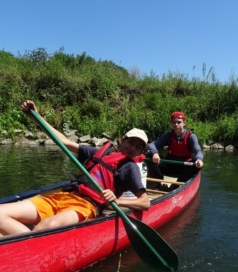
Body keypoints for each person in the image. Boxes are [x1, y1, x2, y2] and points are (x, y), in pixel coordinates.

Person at [0, 100, 150, 236]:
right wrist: (36, 117)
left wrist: (117, 201)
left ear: (140, 152)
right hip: (63, 196)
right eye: (131, 142)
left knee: (44, 228)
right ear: (122, 140)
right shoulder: (100, 153)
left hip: (86, 205)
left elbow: (145, 202)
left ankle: (25, 248)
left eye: (138, 147)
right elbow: (64, 141)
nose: (132, 148)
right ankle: (27, 246)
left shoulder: (130, 167)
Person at [146, 111, 204, 189]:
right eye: (174, 122)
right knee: (148, 155)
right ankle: (159, 181)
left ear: (184, 123)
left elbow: (197, 151)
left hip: (185, 166)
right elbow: (152, 145)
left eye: (179, 122)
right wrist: (155, 153)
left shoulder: (191, 137)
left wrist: (199, 159)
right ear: (171, 124)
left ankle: (175, 186)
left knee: (197, 166)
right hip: (170, 165)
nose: (176, 125)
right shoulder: (168, 136)